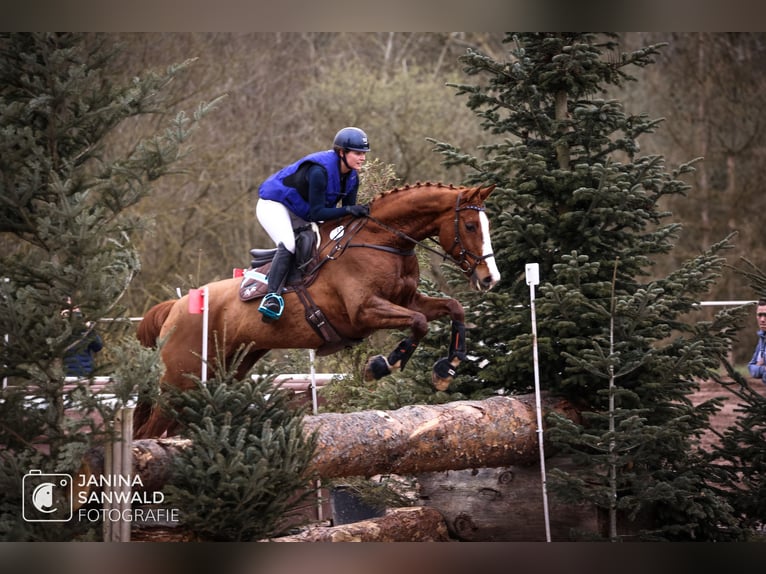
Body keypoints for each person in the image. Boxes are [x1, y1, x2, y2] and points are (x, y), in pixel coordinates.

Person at [255, 126, 371, 320]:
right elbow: (318, 213)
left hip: (302, 211)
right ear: (342, 153)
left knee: (329, 240)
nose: (363, 158)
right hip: (274, 205)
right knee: (289, 244)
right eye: (358, 153)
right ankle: (271, 297)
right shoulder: (319, 171)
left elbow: (345, 217)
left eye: (364, 153)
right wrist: (351, 210)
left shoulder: (352, 178)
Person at [62, 306, 103, 377]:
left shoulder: (85, 330)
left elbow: (98, 347)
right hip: (64, 373)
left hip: (85, 372)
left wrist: (89, 329)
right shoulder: (58, 329)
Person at [747, 298, 766, 384]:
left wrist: (760, 365)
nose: (762, 319)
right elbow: (751, 368)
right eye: (760, 315)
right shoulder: (762, 337)